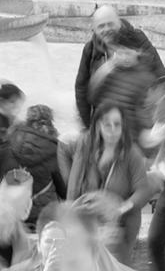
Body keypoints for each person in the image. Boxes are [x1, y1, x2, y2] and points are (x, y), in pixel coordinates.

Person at [62, 100, 154, 259]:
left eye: (117, 125)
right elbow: (74, 185)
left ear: (123, 126)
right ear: (98, 126)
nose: (112, 130)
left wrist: (120, 209)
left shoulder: (131, 154)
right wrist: (70, 214)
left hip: (120, 227)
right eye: (107, 124)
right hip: (88, 223)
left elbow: (143, 189)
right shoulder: (85, 149)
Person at [74, 6, 165, 127]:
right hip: (106, 123)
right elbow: (82, 89)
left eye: (110, 24)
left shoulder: (138, 40)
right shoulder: (90, 50)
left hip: (134, 124)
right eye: (101, 26)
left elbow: (160, 77)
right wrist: (88, 126)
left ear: (119, 23)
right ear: (94, 29)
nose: (106, 29)